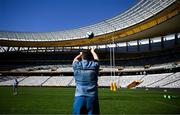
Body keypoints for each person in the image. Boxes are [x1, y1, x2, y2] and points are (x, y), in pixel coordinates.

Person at [72, 47, 100, 115]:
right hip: (92, 97)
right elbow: (96, 59)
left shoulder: (76, 65)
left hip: (79, 96)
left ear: (82, 56)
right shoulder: (94, 65)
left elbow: (75, 59)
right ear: (90, 57)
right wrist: (93, 51)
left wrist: (80, 54)